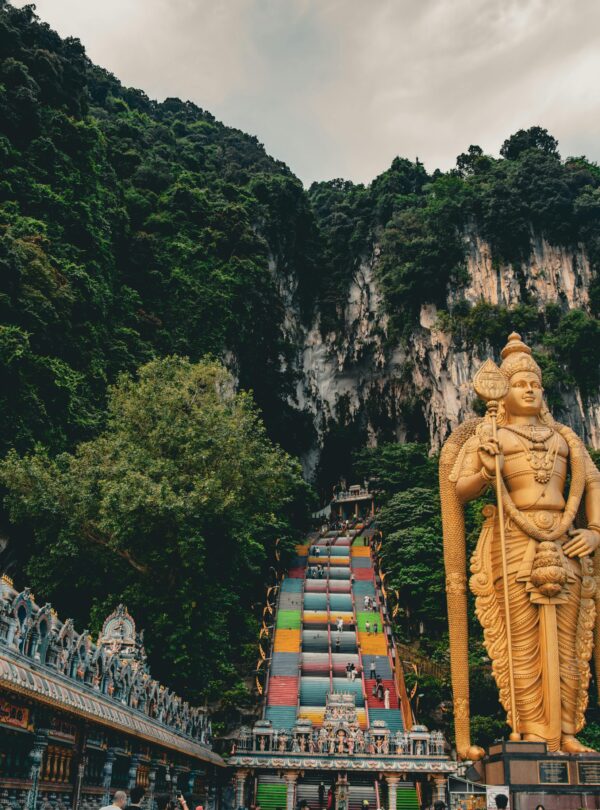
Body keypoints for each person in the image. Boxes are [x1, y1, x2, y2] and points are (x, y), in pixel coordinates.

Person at [444, 332, 600, 757]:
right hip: (512, 541)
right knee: (522, 643)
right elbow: (459, 489)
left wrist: (595, 530)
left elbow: (593, 481)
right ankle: (533, 730)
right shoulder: (490, 434)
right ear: (503, 392)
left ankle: (566, 731)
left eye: (535, 383)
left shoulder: (565, 436)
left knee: (569, 641)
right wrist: (487, 471)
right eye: (520, 384)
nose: (530, 389)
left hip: (566, 541)